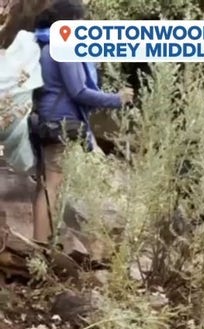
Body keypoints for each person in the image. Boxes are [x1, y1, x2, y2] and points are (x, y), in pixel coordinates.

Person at [29, 0, 133, 245]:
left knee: (48, 185)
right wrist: (116, 99)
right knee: (52, 185)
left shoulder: (45, 45)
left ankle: (42, 246)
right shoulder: (63, 47)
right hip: (62, 124)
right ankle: (41, 248)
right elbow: (79, 91)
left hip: (50, 121)